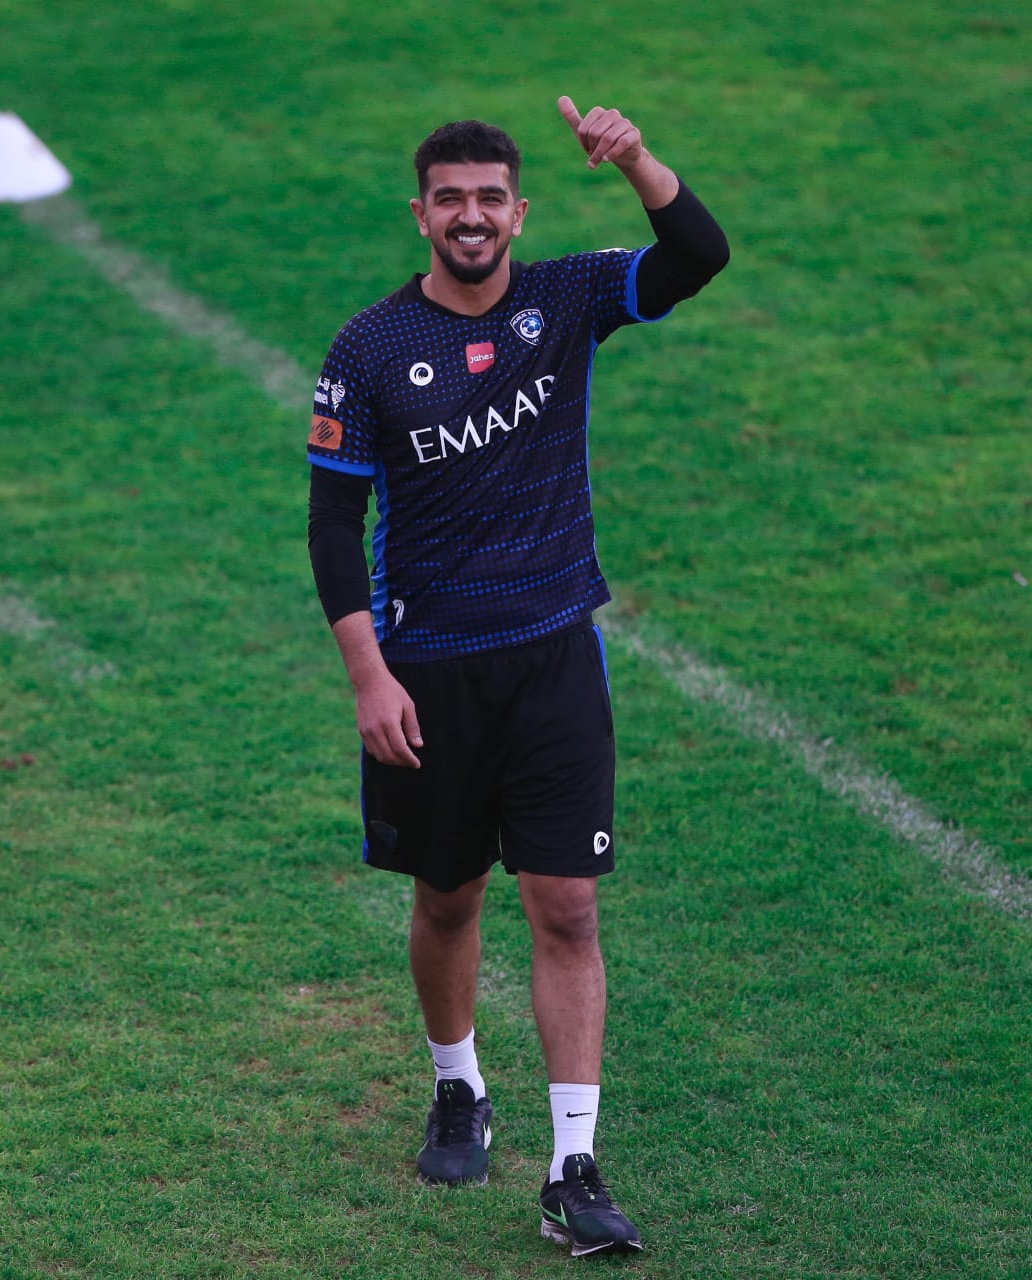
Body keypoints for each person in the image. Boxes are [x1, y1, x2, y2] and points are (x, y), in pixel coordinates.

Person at [307, 97, 728, 1258]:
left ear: (519, 210)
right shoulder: (368, 349)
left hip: (554, 656)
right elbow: (333, 523)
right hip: (429, 672)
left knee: (567, 904)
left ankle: (571, 1165)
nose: (472, 215)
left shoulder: (568, 298)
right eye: (450, 198)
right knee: (447, 896)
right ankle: (458, 1084)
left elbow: (697, 255)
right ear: (421, 214)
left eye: (490, 197)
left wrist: (636, 159)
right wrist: (368, 676)